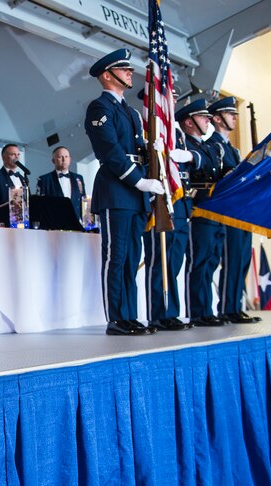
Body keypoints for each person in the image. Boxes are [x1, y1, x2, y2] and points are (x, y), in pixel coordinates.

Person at [84, 48, 165, 336]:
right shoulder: (100, 108)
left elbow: (135, 147)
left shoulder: (130, 112)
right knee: (115, 256)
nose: (131, 73)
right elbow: (109, 150)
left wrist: (152, 152)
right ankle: (116, 318)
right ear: (108, 75)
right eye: (124, 69)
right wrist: (139, 181)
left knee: (132, 256)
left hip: (134, 193)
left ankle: (130, 315)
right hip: (117, 189)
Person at [142, 92, 194, 331]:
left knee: (174, 262)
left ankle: (171, 312)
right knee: (158, 261)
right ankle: (158, 313)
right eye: (166, 97)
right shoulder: (149, 125)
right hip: (159, 201)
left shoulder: (177, 133)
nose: (172, 100)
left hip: (180, 204)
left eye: (173, 97)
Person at [208, 96, 260, 324]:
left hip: (240, 212)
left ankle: (235, 306)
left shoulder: (234, 151)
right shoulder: (214, 147)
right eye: (230, 114)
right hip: (226, 213)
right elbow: (217, 180)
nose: (235, 118)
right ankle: (227, 308)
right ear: (217, 119)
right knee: (231, 260)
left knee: (241, 260)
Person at [179, 99, 226, 326]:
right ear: (189, 122)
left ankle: (206, 309)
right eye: (202, 117)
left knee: (210, 261)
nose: (207, 120)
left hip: (213, 209)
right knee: (198, 261)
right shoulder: (185, 145)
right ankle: (197, 311)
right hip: (198, 208)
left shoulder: (208, 147)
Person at [36, 146, 87, 220]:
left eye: (66, 156)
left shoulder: (78, 178)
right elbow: (40, 205)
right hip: (54, 223)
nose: (64, 159)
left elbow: (83, 199)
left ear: (70, 159)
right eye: (60, 157)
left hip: (76, 222)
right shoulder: (44, 179)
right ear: (53, 161)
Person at [0, 143, 27, 226]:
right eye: (13, 154)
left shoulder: (23, 178)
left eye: (18, 154)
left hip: (24, 222)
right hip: (4, 223)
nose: (17, 157)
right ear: (4, 157)